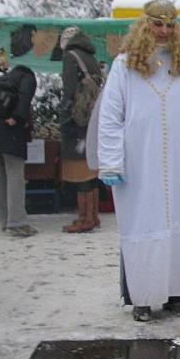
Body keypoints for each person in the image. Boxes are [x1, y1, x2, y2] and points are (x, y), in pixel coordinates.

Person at [97, 0, 180, 322]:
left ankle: (176, 294)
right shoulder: (124, 66)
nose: (165, 31)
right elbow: (110, 118)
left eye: (170, 25)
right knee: (143, 224)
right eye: (158, 23)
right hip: (140, 164)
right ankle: (141, 297)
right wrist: (112, 161)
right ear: (145, 24)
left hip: (179, 164)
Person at [0, 64, 38, 237]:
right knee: (15, 175)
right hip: (10, 132)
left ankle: (4, 220)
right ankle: (17, 222)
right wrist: (18, 118)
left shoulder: (0, 82)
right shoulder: (27, 77)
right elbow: (24, 99)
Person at [59, 26, 102, 233]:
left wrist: (65, 120)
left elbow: (69, 92)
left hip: (78, 120)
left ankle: (85, 217)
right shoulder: (91, 58)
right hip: (92, 118)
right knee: (90, 170)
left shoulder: (71, 57)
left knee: (79, 171)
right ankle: (93, 216)